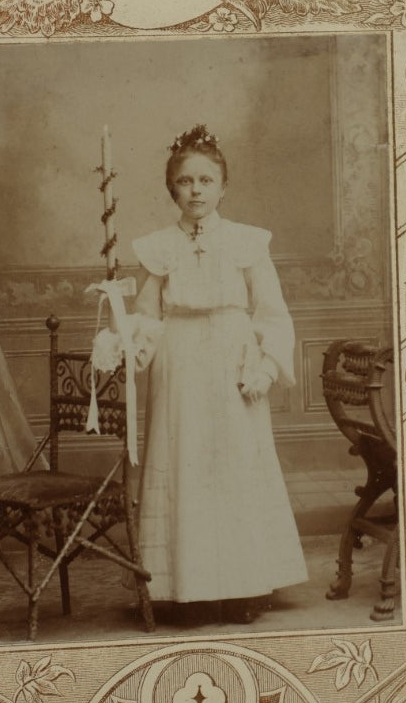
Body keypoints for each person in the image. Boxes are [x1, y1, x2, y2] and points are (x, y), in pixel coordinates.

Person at [129, 126, 308, 623]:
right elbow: (146, 314)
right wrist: (130, 347)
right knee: (185, 468)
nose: (197, 190)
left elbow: (272, 314)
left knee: (235, 468)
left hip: (233, 359)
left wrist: (266, 365)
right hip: (179, 363)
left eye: (207, 180)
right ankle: (188, 589)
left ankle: (245, 586)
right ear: (172, 189)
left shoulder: (248, 243)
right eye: (186, 181)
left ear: (223, 186)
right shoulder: (159, 248)